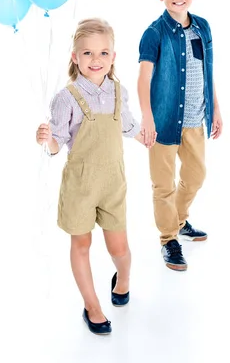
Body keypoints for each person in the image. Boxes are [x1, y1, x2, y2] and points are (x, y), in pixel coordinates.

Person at [36, 18, 152, 335]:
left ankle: (124, 277)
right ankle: (92, 306)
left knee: (119, 248)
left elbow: (128, 126)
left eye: (103, 53)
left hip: (113, 183)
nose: (95, 60)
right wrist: (48, 140)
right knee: (81, 244)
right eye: (87, 53)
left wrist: (149, 136)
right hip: (80, 186)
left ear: (113, 56)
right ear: (75, 57)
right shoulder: (67, 97)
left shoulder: (118, 91)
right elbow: (57, 144)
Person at [137, 0, 223, 271]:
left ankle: (179, 218)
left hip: (195, 120)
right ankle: (168, 239)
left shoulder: (202, 27)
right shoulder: (154, 33)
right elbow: (144, 79)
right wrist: (147, 118)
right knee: (163, 184)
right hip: (162, 124)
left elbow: (207, 71)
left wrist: (215, 109)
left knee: (196, 175)